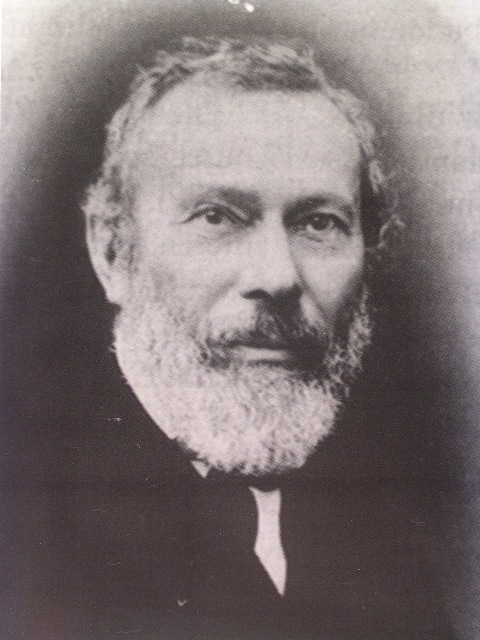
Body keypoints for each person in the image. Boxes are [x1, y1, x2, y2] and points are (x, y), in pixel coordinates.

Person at [71, 37, 453, 639]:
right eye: (217, 216)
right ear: (113, 251)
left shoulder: (398, 550)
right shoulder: (30, 523)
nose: (277, 277)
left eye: (319, 222)